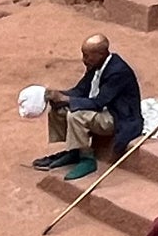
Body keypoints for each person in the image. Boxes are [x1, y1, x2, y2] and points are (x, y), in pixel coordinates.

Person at [31, 33, 143, 180]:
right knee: (59, 109)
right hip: (102, 109)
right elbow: (81, 90)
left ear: (101, 54)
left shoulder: (118, 72)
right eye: (84, 55)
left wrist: (67, 99)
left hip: (118, 117)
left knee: (76, 115)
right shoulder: (96, 65)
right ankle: (74, 150)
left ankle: (87, 160)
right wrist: (58, 95)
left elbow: (99, 102)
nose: (84, 60)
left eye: (88, 56)